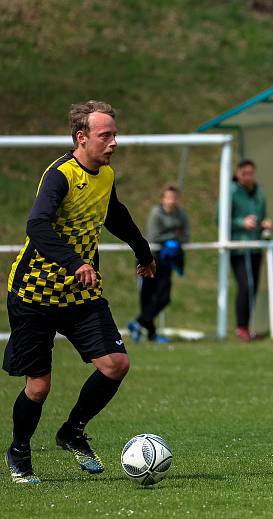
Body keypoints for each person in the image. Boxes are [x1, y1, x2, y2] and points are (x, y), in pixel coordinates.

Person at [3, 101, 156, 484]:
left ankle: (72, 430)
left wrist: (143, 250)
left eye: (114, 134)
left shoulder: (104, 175)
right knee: (38, 387)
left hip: (80, 295)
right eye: (105, 135)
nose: (114, 143)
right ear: (81, 137)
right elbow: (37, 225)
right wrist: (75, 262)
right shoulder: (59, 176)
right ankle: (19, 452)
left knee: (116, 365)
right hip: (35, 295)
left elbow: (114, 213)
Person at [128, 184, 189, 343]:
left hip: (166, 260)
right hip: (149, 260)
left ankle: (137, 324)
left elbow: (185, 236)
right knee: (147, 298)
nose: (172, 200)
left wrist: (173, 239)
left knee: (164, 298)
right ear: (163, 198)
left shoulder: (181, 214)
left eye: (174, 197)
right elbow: (154, 236)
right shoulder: (156, 213)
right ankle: (151, 334)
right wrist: (173, 236)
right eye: (168, 197)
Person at [229, 159, 272, 342]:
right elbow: (221, 219)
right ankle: (241, 327)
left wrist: (265, 224)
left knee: (253, 287)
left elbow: (262, 215)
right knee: (245, 286)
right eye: (244, 173)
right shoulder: (230, 191)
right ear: (237, 173)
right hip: (238, 248)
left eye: (251, 173)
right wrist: (241, 223)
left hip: (255, 246)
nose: (248, 177)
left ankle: (247, 327)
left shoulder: (259, 192)